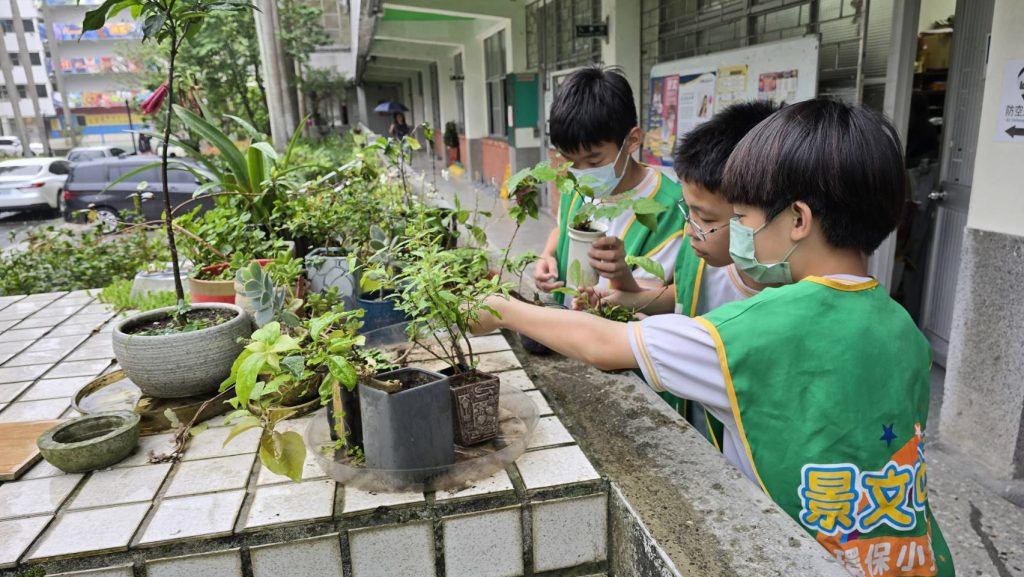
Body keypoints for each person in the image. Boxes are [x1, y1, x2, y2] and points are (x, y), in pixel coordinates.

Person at [474, 99, 953, 576]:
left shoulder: (755, 330)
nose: (735, 232)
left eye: (742, 218)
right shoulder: (904, 329)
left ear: (798, 220)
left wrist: (502, 309)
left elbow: (603, 345)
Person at [583, 100, 782, 439]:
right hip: (696, 427)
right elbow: (686, 294)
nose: (690, 228)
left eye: (704, 218)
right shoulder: (703, 255)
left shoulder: (785, 299)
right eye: (687, 212)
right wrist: (630, 300)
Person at [533, 66, 684, 302]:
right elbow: (560, 228)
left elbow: (668, 295)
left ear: (632, 140)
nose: (583, 173)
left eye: (594, 160)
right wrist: (546, 256)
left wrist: (620, 276)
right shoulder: (574, 186)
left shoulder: (669, 207)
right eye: (570, 160)